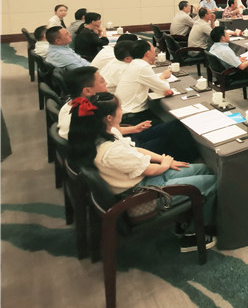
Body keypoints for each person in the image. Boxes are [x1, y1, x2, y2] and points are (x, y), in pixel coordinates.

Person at [67, 92, 216, 251]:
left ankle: (186, 218)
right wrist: (165, 164)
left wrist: (164, 159)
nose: (122, 110)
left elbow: (136, 150)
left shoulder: (107, 133)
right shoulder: (110, 151)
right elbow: (150, 170)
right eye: (120, 108)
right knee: (212, 181)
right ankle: (193, 234)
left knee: (203, 169)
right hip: (141, 194)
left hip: (141, 180)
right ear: (109, 117)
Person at [60, 66, 199, 161]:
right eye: (102, 81)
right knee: (174, 139)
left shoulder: (78, 106)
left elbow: (103, 130)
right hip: (126, 152)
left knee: (176, 125)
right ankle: (193, 166)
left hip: (124, 141)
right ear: (87, 91)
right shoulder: (81, 114)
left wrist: (134, 129)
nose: (106, 83)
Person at [115, 40, 174, 125]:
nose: (155, 53)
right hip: (132, 116)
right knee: (173, 125)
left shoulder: (134, 64)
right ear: (147, 53)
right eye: (153, 50)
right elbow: (165, 89)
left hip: (123, 112)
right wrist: (163, 77)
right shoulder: (142, 67)